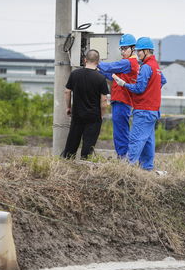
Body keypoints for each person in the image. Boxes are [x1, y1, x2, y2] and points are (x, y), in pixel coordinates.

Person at [112, 37, 167, 171]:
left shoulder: (146, 67)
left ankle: (126, 170)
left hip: (143, 109)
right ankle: (147, 169)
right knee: (148, 142)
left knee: (135, 140)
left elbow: (139, 88)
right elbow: (162, 81)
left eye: (139, 51)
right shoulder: (156, 66)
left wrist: (123, 84)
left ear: (146, 51)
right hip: (153, 110)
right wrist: (152, 92)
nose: (137, 54)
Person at [61, 49, 109, 159]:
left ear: (85, 60)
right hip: (93, 116)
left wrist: (68, 107)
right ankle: (84, 161)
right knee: (88, 143)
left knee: (72, 140)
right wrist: (101, 115)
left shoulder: (75, 74)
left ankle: (68, 161)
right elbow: (104, 100)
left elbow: (67, 91)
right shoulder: (101, 78)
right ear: (98, 62)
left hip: (77, 114)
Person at [98, 34, 139, 158]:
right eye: (121, 49)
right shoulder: (129, 64)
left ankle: (123, 157)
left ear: (133, 49)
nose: (122, 51)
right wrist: (99, 71)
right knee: (120, 130)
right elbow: (111, 75)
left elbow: (110, 67)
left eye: (125, 48)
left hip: (122, 100)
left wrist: (94, 62)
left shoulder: (128, 62)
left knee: (120, 131)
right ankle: (123, 156)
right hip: (121, 100)